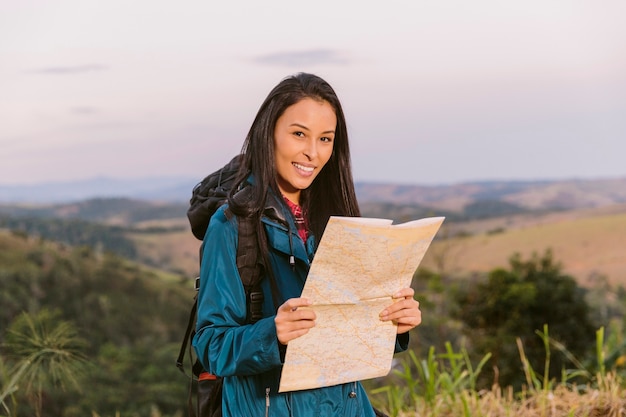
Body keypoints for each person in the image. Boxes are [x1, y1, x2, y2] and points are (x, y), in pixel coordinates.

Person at [193, 73, 422, 416]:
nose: (312, 153)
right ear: (268, 133)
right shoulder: (231, 225)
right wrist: (272, 333)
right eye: (299, 134)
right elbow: (211, 344)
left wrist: (392, 323)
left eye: (326, 139)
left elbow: (346, 332)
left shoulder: (339, 223)